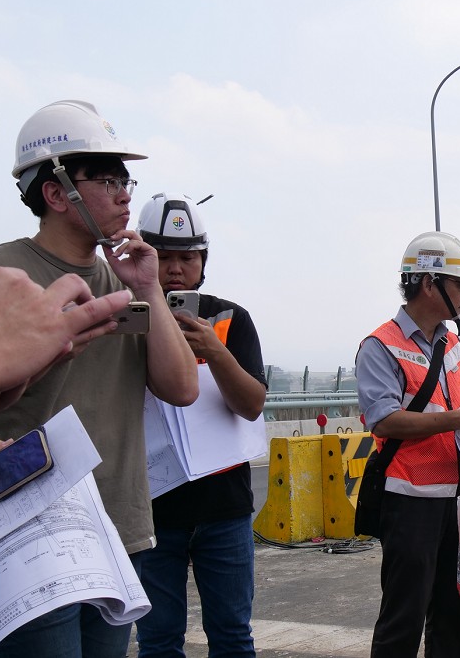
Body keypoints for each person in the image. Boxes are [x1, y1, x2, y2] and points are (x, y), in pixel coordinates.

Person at [0, 101, 199, 658]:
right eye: (108, 179)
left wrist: (148, 288)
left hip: (117, 529)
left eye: (126, 179)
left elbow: (181, 389)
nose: (125, 193)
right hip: (27, 535)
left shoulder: (125, 282)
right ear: (55, 193)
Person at [133, 193, 266, 657]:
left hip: (223, 509)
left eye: (186, 257)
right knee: (158, 639)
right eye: (163, 257)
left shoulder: (230, 318)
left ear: (203, 261)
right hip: (150, 511)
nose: (174, 269)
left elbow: (252, 405)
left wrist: (215, 351)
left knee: (232, 635)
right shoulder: (126, 319)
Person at [356, 231, 460, 658]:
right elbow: (384, 419)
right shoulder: (381, 346)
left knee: (455, 611)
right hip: (410, 500)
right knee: (404, 615)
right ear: (430, 284)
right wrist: (457, 419)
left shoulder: (458, 345)